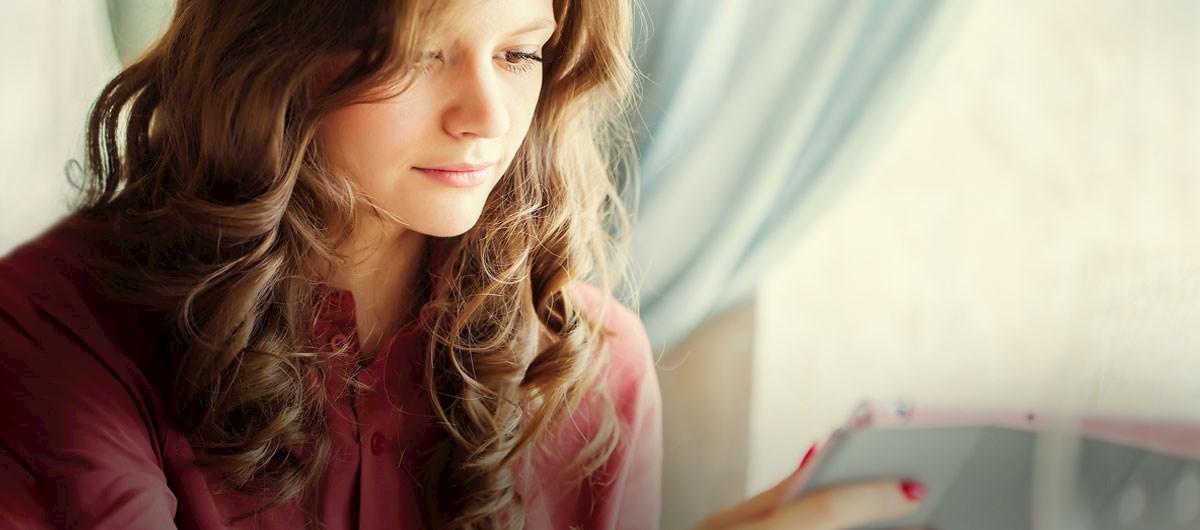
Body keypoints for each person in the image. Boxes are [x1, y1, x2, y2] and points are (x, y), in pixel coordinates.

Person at [0, 0, 927, 529]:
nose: (485, 114)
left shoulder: (595, 371)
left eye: (520, 52)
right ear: (273, 48)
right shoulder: (56, 322)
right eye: (419, 53)